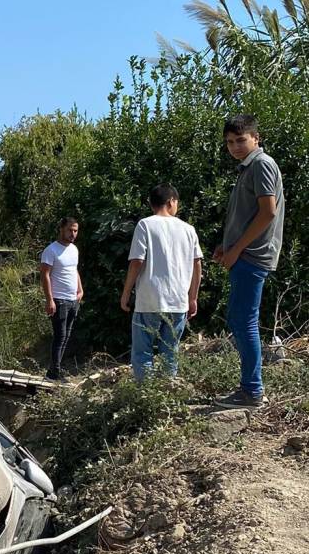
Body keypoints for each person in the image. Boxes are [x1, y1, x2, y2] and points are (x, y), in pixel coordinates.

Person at [212, 114, 285, 407]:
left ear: (256, 138)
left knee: (244, 321)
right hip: (244, 253)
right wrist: (225, 245)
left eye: (241, 140)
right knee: (240, 319)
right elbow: (247, 216)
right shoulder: (248, 168)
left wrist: (237, 249)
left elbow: (268, 212)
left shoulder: (261, 164)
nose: (235, 147)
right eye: (230, 142)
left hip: (252, 255)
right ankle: (249, 388)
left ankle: (252, 391)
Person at [121, 184, 202, 381]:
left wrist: (126, 294)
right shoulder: (188, 229)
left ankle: (146, 397)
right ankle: (168, 391)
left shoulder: (145, 225)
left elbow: (137, 262)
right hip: (178, 301)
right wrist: (193, 298)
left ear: (151, 203)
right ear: (171, 201)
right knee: (170, 353)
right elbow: (197, 265)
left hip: (149, 299)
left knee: (142, 353)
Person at [40, 218, 82, 379]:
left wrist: (80, 289)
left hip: (73, 300)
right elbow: (45, 274)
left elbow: (74, 270)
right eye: (70, 230)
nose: (73, 234)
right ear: (61, 229)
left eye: (75, 231)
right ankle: (53, 373)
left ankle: (55, 370)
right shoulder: (51, 250)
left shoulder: (74, 249)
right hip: (59, 300)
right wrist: (49, 299)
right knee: (60, 336)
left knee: (66, 336)